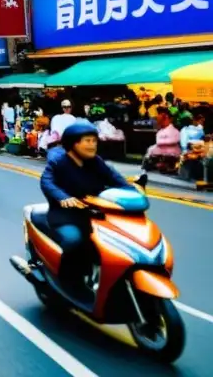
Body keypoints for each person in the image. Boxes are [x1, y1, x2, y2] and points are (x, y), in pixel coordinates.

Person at [40, 120, 131, 301]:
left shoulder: (96, 163)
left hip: (96, 214)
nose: (92, 145)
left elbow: (117, 180)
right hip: (66, 216)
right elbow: (47, 182)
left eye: (94, 141)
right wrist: (63, 198)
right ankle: (67, 281)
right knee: (74, 240)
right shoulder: (58, 163)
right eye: (87, 141)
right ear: (73, 144)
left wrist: (134, 193)